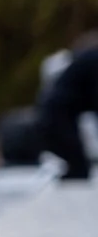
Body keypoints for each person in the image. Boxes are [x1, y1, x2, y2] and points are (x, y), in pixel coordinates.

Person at [28, 30, 98, 179]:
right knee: (79, 169)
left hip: (54, 113)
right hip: (57, 115)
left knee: (78, 168)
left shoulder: (88, 58)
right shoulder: (93, 59)